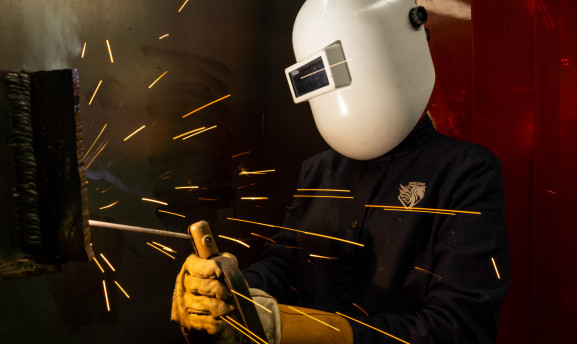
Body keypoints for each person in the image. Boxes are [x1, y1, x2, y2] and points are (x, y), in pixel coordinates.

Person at [171, 1, 510, 343]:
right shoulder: (318, 170)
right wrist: (229, 290)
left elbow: (463, 327)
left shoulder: (466, 171)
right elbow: (284, 263)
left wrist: (298, 329)